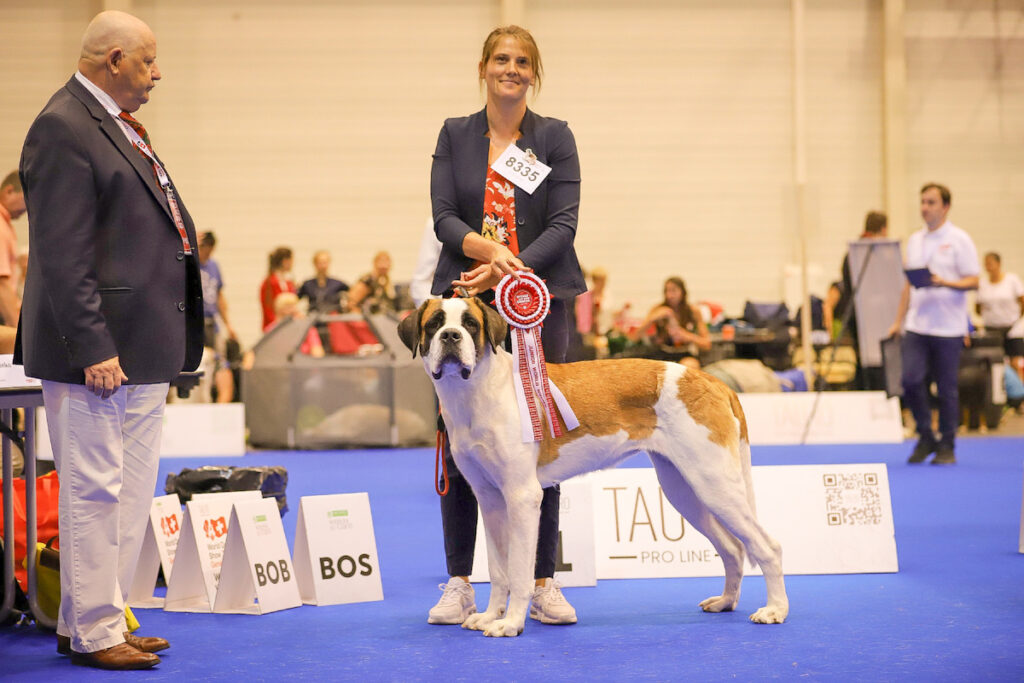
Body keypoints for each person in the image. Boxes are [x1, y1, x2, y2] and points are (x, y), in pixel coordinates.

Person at [15, 10, 203, 670]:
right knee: (93, 490)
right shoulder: (63, 126)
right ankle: (95, 630)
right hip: (98, 352)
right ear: (113, 60)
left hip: (143, 346)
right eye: (149, 61)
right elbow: (62, 256)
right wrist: (93, 343)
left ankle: (91, 616)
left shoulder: (113, 126)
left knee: (124, 491)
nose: (158, 73)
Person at [427, 25, 585, 626]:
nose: (511, 69)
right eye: (501, 59)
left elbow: (564, 224)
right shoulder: (455, 135)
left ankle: (541, 581)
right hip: (466, 301)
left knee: (541, 441)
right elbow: (443, 216)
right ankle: (460, 581)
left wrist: (512, 270)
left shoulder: (555, 138)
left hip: (538, 298)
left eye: (523, 61)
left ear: (533, 73)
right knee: (461, 441)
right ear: (483, 67)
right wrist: (487, 258)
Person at [888, 183, 979, 465]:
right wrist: (897, 321)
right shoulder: (915, 240)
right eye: (923, 202)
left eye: (931, 202)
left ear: (945, 207)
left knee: (947, 388)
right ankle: (926, 435)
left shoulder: (959, 239)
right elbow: (908, 285)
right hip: (917, 325)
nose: (924, 207)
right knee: (910, 381)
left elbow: (974, 280)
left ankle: (947, 445)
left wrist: (945, 282)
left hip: (949, 328)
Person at [823, 210, 889, 390]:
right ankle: (873, 391)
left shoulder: (852, 252)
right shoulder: (873, 253)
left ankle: (864, 389)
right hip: (870, 318)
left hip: (857, 317)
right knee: (874, 362)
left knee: (862, 360)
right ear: (883, 229)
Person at [634, 276, 710, 369]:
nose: (670, 295)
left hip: (684, 353)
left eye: (673, 291)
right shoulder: (658, 309)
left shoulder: (693, 311)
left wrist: (687, 336)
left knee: (689, 366)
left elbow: (706, 344)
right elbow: (635, 337)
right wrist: (651, 319)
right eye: (667, 291)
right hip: (662, 353)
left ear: (683, 292)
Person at [197, 231, 236, 402]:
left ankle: (222, 405)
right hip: (194, 322)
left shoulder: (214, 266)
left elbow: (220, 297)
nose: (207, 253)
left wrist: (228, 325)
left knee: (221, 361)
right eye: (204, 248)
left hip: (212, 322)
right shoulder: (189, 265)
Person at [976, 251, 1024, 376]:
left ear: (999, 264)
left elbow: (1022, 300)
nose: (988, 267)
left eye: (990, 263)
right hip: (991, 328)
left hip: (1012, 327)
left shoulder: (1011, 280)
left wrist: (1018, 318)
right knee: (993, 363)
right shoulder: (982, 284)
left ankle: (1020, 392)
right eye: (985, 264)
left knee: (1015, 362)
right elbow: (977, 307)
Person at [298, 249, 349, 315]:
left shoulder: (338, 284)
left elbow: (353, 295)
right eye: (320, 263)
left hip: (333, 319)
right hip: (313, 318)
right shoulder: (307, 284)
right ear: (315, 264)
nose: (323, 266)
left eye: (325, 262)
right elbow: (295, 299)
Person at [259, 246, 295, 329]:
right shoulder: (270, 283)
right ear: (285, 261)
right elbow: (268, 308)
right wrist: (276, 323)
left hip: (288, 326)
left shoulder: (287, 282)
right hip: (275, 327)